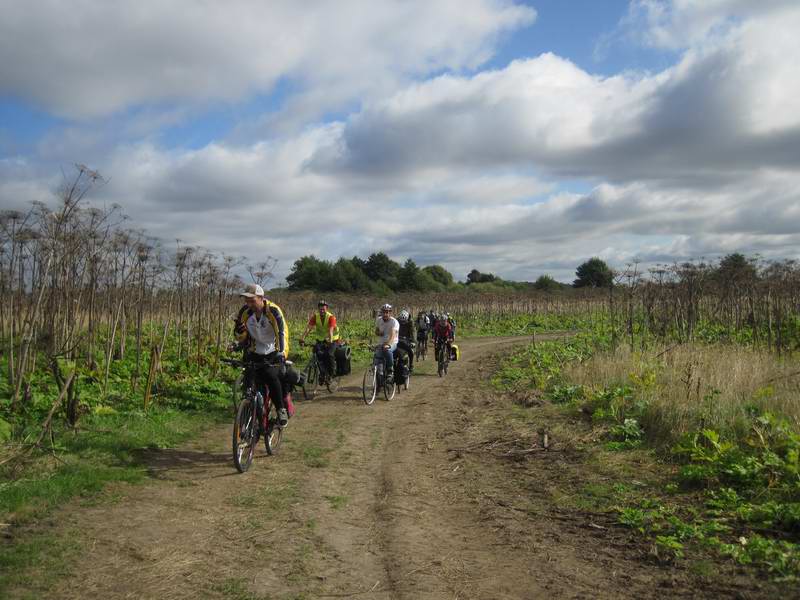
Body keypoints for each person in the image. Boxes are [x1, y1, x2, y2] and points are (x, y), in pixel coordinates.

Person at [232, 283, 290, 427]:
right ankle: (248, 415)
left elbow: (282, 333)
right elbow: (240, 336)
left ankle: (281, 409)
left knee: (271, 376)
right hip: (254, 351)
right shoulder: (245, 312)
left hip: (272, 351)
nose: (249, 303)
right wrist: (239, 333)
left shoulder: (273, 311)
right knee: (248, 383)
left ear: (261, 298)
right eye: (247, 300)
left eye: (252, 300)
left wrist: (282, 353)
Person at [299, 299, 340, 381]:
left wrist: (330, 340)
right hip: (321, 339)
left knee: (329, 354)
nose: (322, 311)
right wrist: (302, 338)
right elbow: (308, 328)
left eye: (323, 309)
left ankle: (332, 373)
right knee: (317, 354)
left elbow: (331, 330)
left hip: (333, 339)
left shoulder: (331, 317)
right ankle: (322, 373)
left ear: (326, 309)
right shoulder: (315, 317)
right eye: (320, 309)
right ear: (318, 309)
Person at [374, 303, 399, 377]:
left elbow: (393, 335)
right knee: (377, 357)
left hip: (392, 343)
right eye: (384, 312)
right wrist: (379, 333)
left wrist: (388, 344)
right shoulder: (378, 320)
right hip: (381, 343)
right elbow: (376, 331)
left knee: (387, 351)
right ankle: (379, 374)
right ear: (381, 312)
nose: (385, 314)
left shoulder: (394, 322)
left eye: (387, 312)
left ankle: (390, 369)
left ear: (390, 313)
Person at [396, 309, 415, 373]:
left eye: (404, 322)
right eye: (401, 322)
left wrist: (412, 341)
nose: (403, 323)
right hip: (397, 339)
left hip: (407, 339)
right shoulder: (396, 321)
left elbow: (412, 332)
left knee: (411, 351)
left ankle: (411, 365)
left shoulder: (410, 322)